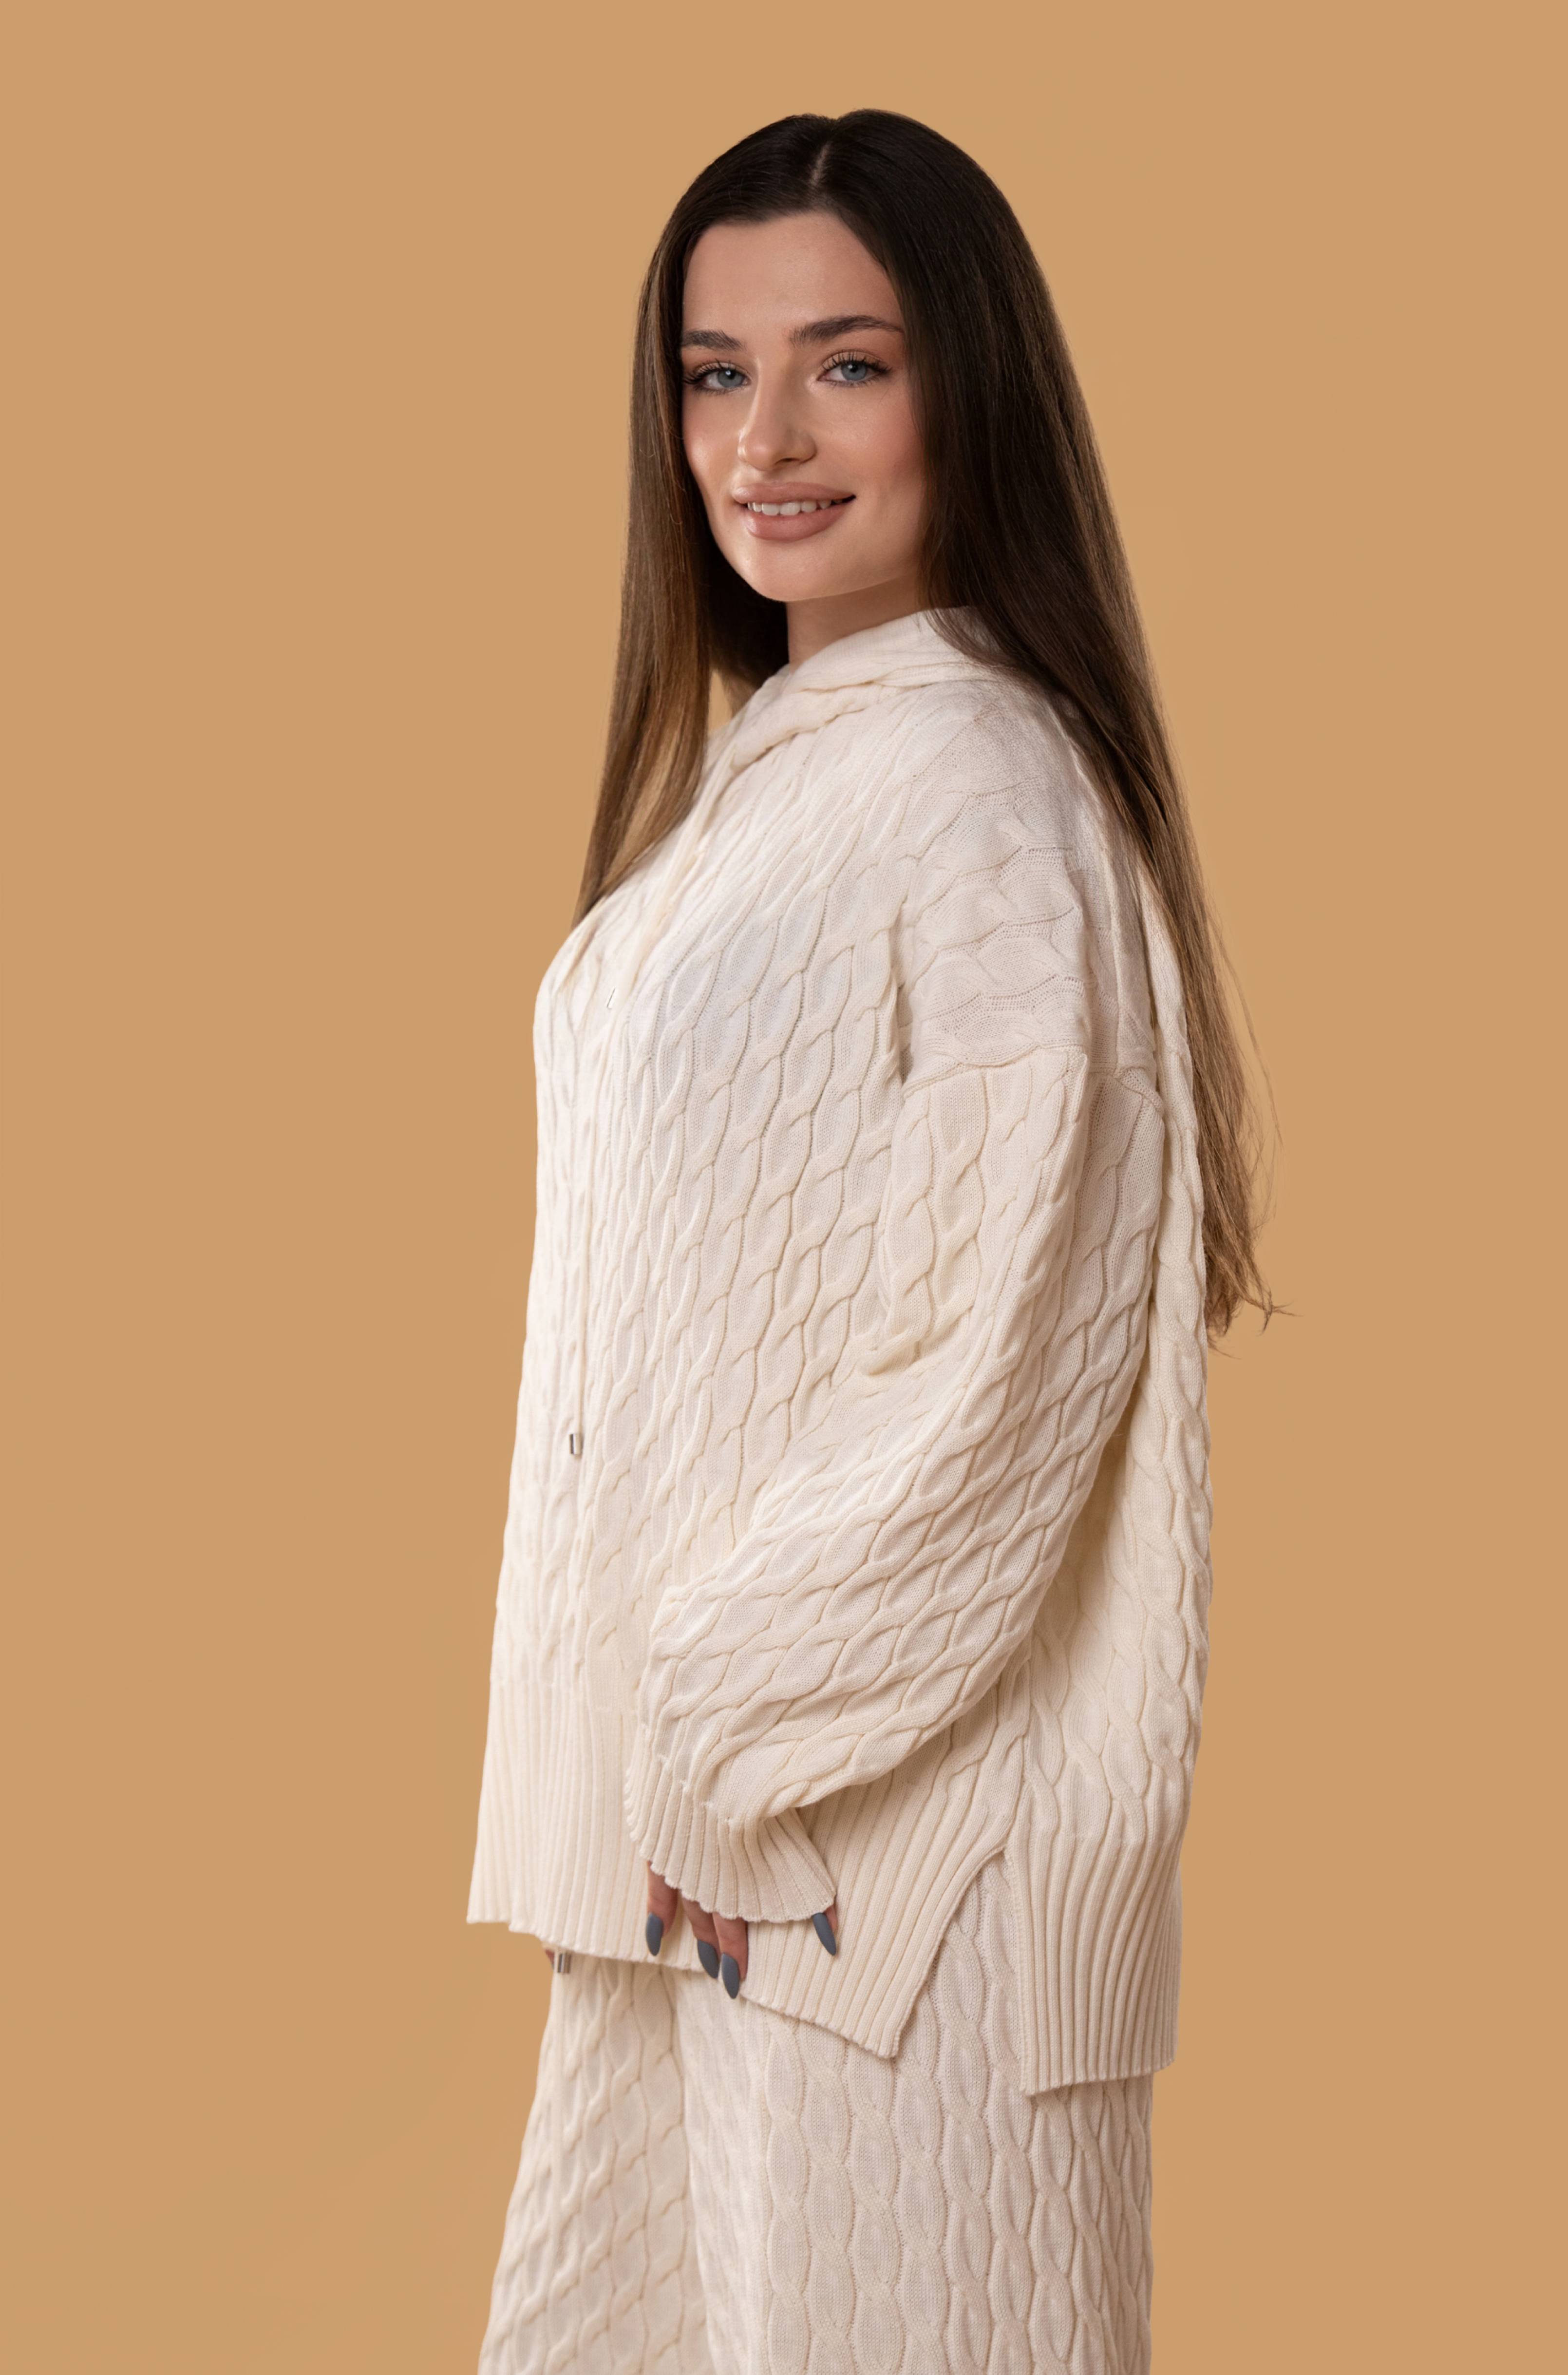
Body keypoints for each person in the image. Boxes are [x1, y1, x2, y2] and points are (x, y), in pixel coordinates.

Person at [469, 107, 1271, 2375]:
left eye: (847, 364)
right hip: (713, 1867)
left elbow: (1003, 1365)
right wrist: (663, 1773)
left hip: (872, 1888)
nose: (766, 440)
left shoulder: (979, 787)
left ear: (966, 388)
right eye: (714, 374)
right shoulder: (785, 777)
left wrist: (715, 1721)